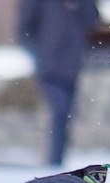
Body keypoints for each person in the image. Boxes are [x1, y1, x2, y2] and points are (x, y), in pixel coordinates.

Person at [18, 0, 102, 167]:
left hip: (72, 66)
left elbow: (93, 22)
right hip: (49, 67)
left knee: (66, 114)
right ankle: (53, 160)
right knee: (59, 110)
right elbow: (24, 31)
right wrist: (40, 56)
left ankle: (57, 160)